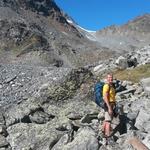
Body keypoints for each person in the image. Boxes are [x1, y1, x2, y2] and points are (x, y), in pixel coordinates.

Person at [102, 73, 116, 138]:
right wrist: (109, 107)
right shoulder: (106, 86)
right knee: (108, 121)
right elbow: (105, 97)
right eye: (109, 77)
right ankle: (107, 135)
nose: (111, 78)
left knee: (107, 119)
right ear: (107, 78)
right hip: (108, 104)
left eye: (111, 77)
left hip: (112, 104)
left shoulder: (111, 85)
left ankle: (103, 130)